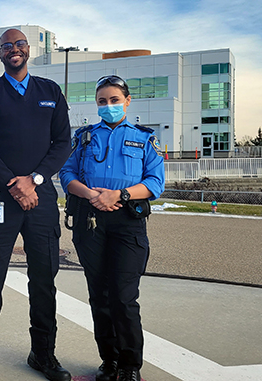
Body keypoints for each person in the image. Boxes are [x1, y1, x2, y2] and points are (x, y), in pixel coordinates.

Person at [0, 28, 72, 381]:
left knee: (44, 280)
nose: (14, 50)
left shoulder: (50, 92)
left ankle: (43, 354)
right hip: (1, 197)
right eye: (6, 46)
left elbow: (62, 143)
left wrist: (34, 180)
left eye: (20, 44)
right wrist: (14, 183)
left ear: (30, 50)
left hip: (40, 199)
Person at [59, 75, 164, 381]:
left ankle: (130, 365)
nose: (108, 106)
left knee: (124, 296)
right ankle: (109, 360)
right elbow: (67, 174)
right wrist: (92, 194)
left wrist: (119, 195)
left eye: (114, 100)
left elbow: (155, 183)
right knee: (99, 295)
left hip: (127, 221)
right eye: (102, 102)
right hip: (90, 220)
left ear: (127, 102)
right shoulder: (85, 137)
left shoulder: (144, 138)